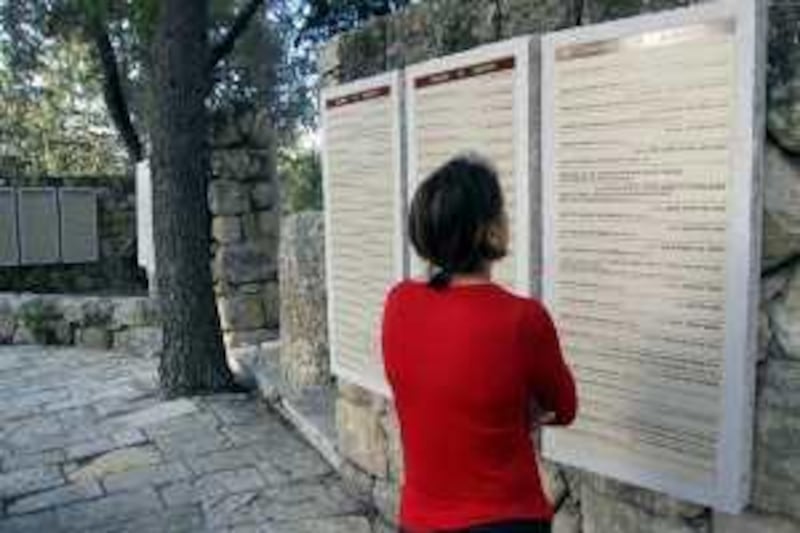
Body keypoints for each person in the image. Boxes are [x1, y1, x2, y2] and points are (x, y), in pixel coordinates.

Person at [382, 154, 578, 533]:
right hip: (506, 519)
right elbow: (565, 407)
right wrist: (523, 407)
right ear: (488, 231)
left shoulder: (399, 303)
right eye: (501, 211)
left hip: (420, 520)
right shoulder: (523, 319)